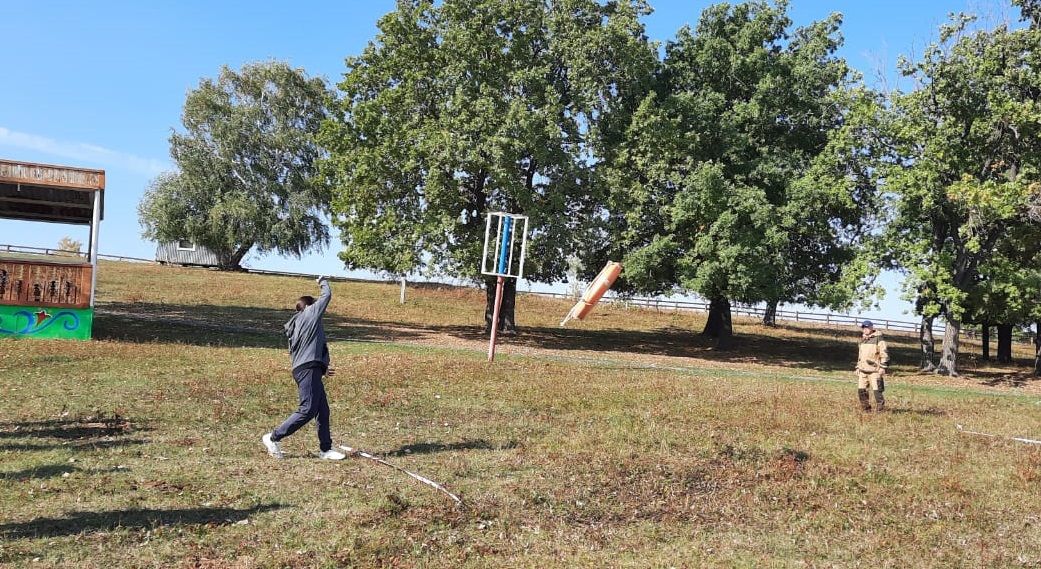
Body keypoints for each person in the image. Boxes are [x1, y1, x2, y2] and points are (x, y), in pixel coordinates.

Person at [262, 276, 346, 460]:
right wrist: (323, 281)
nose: (319, 309)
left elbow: (307, 350)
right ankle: (273, 437)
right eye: (315, 305)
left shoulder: (298, 324)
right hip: (308, 370)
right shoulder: (310, 314)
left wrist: (322, 368)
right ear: (309, 306)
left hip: (308, 369)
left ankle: (326, 450)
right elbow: (327, 295)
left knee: (322, 410)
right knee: (308, 409)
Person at [856, 320, 890, 412]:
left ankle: (880, 410)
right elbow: (860, 355)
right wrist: (858, 367)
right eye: (863, 328)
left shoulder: (879, 338)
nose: (865, 329)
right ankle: (866, 410)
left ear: (871, 327)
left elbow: (884, 353)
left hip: (875, 370)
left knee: (877, 392)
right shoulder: (863, 340)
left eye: (867, 327)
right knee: (861, 391)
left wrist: (883, 367)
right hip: (863, 370)